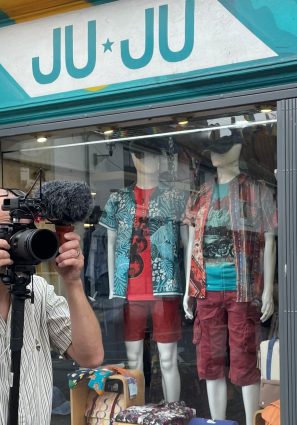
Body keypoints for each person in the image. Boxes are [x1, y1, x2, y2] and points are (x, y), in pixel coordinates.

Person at [0, 188, 104, 425]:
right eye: (8, 230)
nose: (20, 240)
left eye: (27, 230)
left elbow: (90, 356)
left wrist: (72, 281)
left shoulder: (39, 290)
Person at [183, 132, 277, 425]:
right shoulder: (200, 194)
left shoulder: (257, 189)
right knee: (210, 359)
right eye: (214, 150)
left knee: (244, 356)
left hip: (243, 288)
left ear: (238, 149)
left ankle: (251, 421)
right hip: (205, 290)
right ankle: (217, 421)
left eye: (224, 149)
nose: (216, 156)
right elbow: (191, 244)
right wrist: (189, 288)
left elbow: (270, 240)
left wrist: (267, 292)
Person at [100, 142, 186, 402]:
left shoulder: (174, 198)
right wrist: (115, 288)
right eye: (146, 156)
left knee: (169, 359)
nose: (153, 162)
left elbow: (184, 243)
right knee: (134, 359)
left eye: (156, 157)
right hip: (129, 292)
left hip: (166, 289)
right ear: (135, 159)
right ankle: (137, 411)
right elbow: (111, 243)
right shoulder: (118, 199)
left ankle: (174, 411)